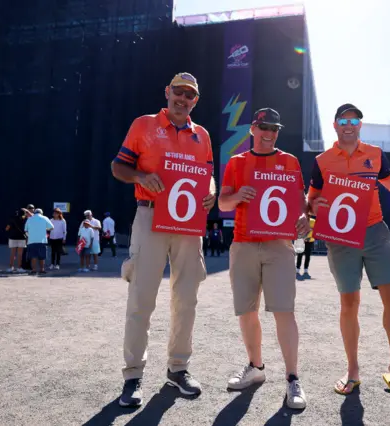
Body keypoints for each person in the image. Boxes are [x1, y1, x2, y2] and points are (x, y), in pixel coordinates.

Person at [111, 72, 216, 407]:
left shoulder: (203, 135)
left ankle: (178, 368)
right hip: (151, 215)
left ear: (195, 101)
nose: (183, 99)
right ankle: (133, 376)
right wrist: (142, 175)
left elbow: (208, 175)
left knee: (186, 299)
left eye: (190, 95)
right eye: (178, 92)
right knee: (141, 298)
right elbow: (118, 166)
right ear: (167, 92)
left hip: (188, 224)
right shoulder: (143, 125)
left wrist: (211, 191)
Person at [307, 104, 390, 400]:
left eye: (354, 120)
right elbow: (311, 199)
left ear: (360, 125)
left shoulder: (375, 155)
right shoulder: (322, 161)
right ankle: (352, 369)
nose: (349, 124)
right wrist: (315, 206)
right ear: (335, 125)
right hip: (340, 237)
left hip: (376, 230)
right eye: (343, 120)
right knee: (349, 302)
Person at [219, 108, 310, 410]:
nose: (270, 133)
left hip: (278, 245)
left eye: (275, 128)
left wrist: (304, 218)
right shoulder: (236, 162)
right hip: (244, 243)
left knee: (284, 311)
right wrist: (237, 197)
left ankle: (293, 378)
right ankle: (255, 368)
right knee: (246, 311)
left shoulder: (290, 161)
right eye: (264, 127)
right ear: (253, 130)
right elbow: (222, 201)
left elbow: (299, 203)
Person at [24, 208, 54, 275]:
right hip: (42, 240)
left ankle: (34, 270)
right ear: (41, 213)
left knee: (33, 256)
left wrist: (29, 236)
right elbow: (52, 227)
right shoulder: (44, 218)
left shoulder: (29, 219)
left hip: (31, 241)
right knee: (42, 256)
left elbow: (25, 230)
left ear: (34, 213)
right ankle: (42, 269)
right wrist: (45, 228)